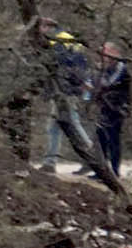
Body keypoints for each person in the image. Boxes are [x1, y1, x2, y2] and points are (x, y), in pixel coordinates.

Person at [40, 29, 95, 170]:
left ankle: (93, 158)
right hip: (66, 92)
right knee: (54, 128)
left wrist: (56, 91)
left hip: (65, 93)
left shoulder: (58, 43)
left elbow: (60, 70)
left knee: (74, 125)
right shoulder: (68, 42)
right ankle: (50, 162)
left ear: (46, 27)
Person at [91, 41, 132, 177]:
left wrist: (100, 75)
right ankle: (102, 171)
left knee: (113, 139)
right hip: (105, 106)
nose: (104, 56)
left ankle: (114, 170)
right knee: (101, 136)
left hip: (117, 107)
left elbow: (108, 83)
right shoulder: (106, 68)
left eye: (106, 52)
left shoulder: (121, 68)